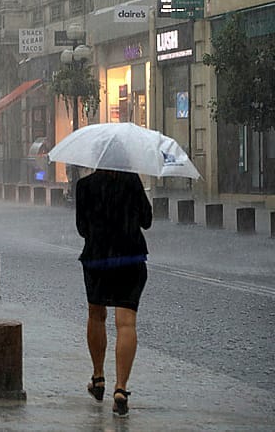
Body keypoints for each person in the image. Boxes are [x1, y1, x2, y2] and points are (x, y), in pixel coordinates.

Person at [75, 168, 152, 417]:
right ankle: (121, 388)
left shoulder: (85, 185)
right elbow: (147, 221)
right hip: (130, 258)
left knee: (96, 315)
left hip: (97, 260)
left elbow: (81, 228)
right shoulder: (132, 181)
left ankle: (98, 378)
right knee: (126, 323)